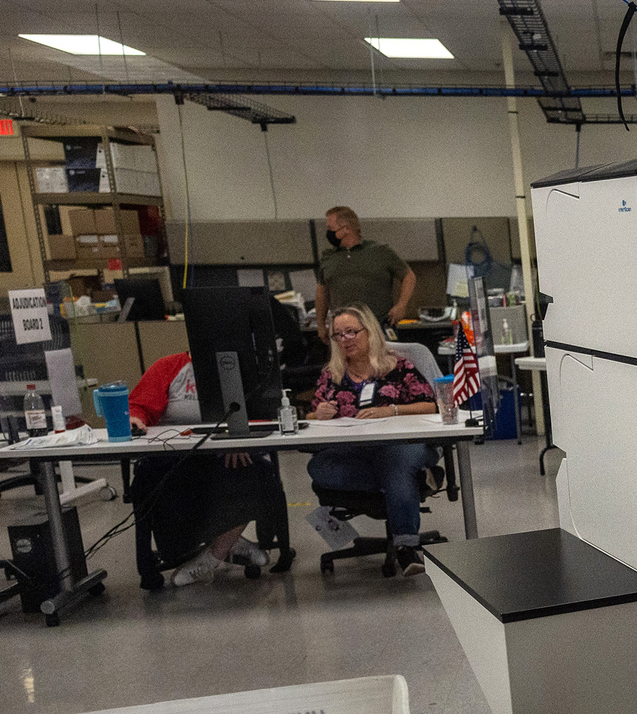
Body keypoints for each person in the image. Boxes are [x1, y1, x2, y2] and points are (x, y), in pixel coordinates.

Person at [124, 352, 286, 586]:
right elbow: (138, 405)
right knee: (151, 484)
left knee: (257, 476)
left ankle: (211, 557)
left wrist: (239, 437)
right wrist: (135, 418)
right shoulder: (170, 366)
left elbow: (264, 414)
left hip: (224, 455)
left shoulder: (243, 368)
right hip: (174, 457)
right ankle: (229, 540)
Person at [305, 304, 441, 575]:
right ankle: (409, 481)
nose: (346, 340)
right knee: (318, 468)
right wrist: (319, 414)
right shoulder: (332, 374)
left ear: (369, 332)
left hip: (402, 445)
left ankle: (406, 547)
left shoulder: (397, 365)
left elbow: (430, 405)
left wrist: (392, 410)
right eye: (338, 335)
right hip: (356, 451)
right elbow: (311, 414)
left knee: (395, 462)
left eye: (352, 332)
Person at [315, 206, 416, 329]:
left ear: (346, 229)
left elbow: (409, 276)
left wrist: (401, 305)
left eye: (331, 228)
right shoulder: (328, 256)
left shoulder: (380, 251)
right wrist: (321, 325)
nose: (328, 233)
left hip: (378, 325)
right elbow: (321, 293)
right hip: (343, 329)